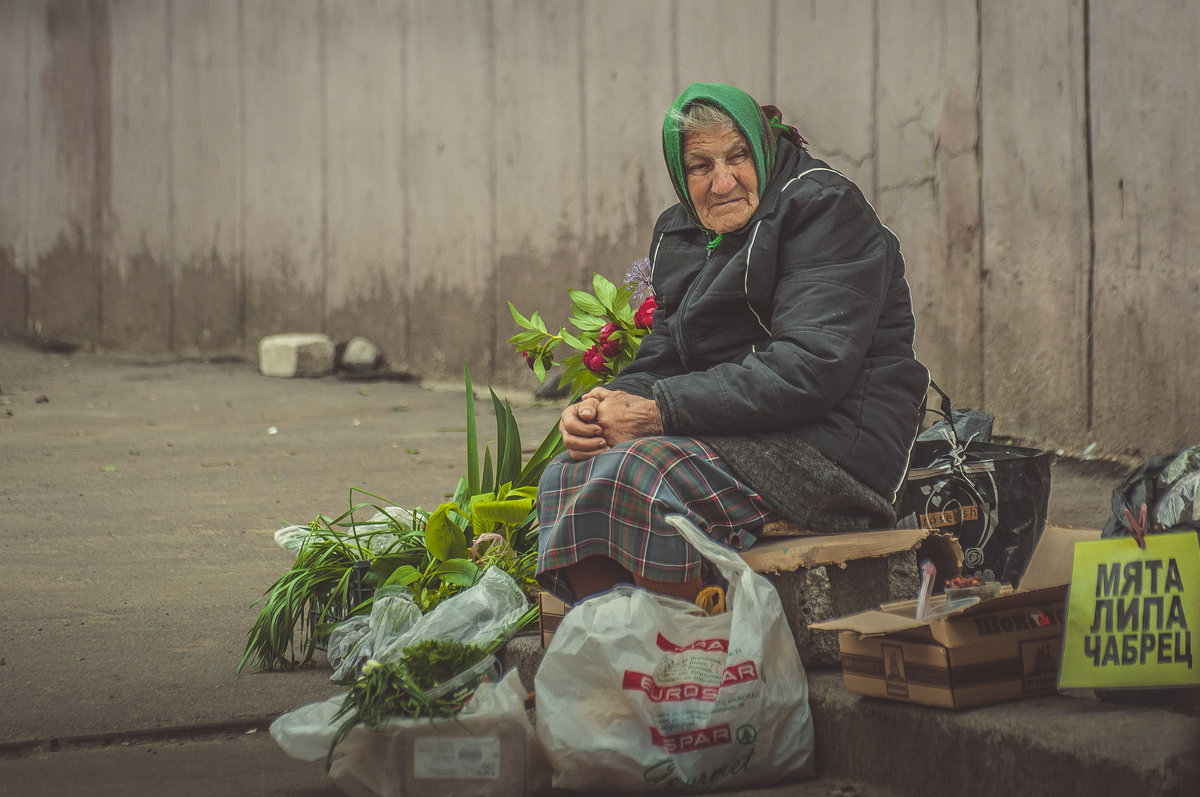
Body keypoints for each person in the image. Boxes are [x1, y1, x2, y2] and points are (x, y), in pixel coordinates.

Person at [536, 82, 929, 605]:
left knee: (636, 474)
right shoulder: (682, 230)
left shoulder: (823, 208)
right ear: (681, 173)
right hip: (741, 433)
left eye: (737, 156)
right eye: (701, 166)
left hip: (829, 447)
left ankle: (684, 648)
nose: (722, 182)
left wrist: (657, 413)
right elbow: (666, 353)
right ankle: (624, 646)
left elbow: (807, 368)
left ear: (761, 151)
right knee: (568, 471)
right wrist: (600, 406)